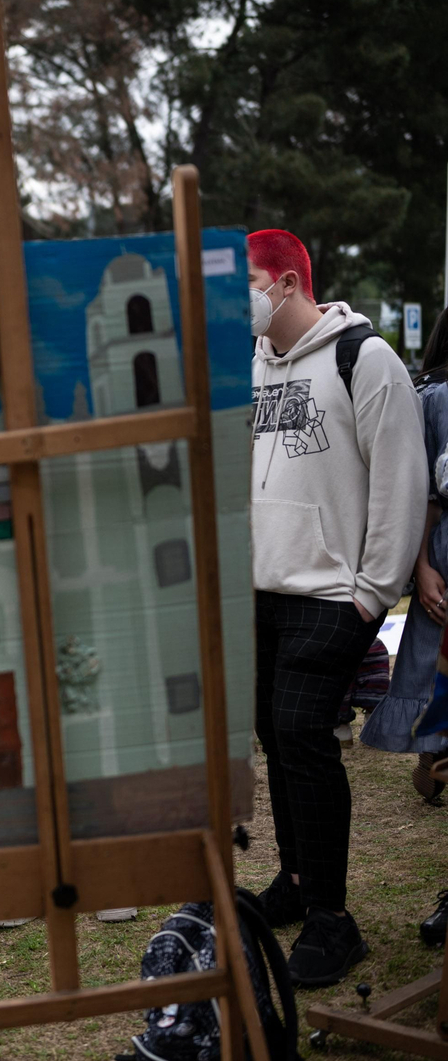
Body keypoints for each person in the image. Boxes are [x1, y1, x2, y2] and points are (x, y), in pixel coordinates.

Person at [247, 228, 425, 987]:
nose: (238, 301)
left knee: (302, 735)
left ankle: (332, 919)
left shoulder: (366, 357)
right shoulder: (253, 367)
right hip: (262, 589)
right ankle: (295, 882)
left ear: (287, 282)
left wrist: (371, 593)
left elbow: (400, 480)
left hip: (332, 593)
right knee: (274, 737)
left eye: (247, 283)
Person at [360, 307, 448, 799]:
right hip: (441, 548)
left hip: (436, 548)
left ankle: (432, 750)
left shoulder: (423, 392)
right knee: (435, 654)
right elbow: (429, 490)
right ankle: (432, 751)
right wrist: (423, 564)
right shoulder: (437, 395)